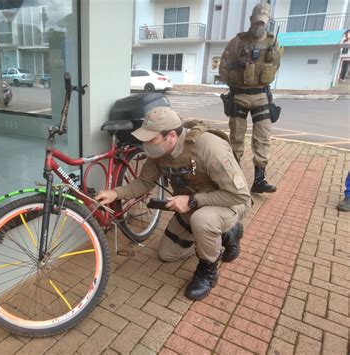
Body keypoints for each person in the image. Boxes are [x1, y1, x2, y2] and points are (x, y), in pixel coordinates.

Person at [96, 107, 251, 300]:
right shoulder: (159, 152)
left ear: (171, 136)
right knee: (167, 254)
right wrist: (115, 193)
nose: (146, 145)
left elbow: (240, 195)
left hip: (228, 204)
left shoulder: (209, 148)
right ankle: (229, 234)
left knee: (203, 221)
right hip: (193, 208)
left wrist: (194, 201)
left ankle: (208, 269)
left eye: (151, 139)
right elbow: (144, 182)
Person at [219, 3, 281, 194]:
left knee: (262, 138)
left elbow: (275, 65)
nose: (258, 26)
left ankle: (259, 179)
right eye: (256, 22)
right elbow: (223, 67)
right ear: (250, 21)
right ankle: (234, 179)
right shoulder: (237, 42)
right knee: (236, 137)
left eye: (262, 23)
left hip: (261, 96)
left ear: (268, 22)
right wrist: (234, 79)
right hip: (239, 95)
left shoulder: (272, 42)